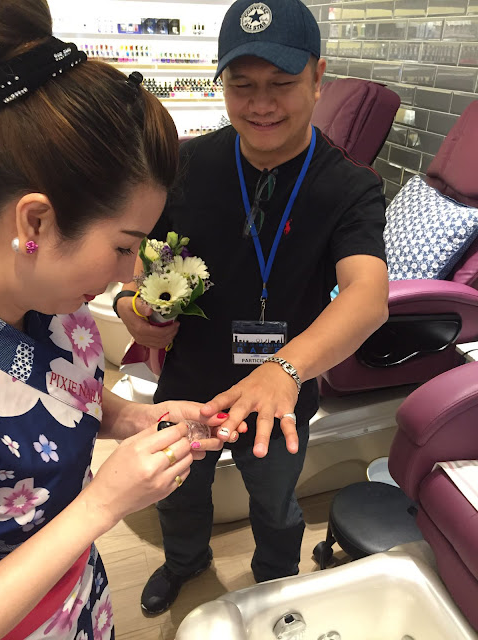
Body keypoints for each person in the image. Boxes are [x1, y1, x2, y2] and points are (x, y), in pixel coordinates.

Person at [116, 0, 389, 616]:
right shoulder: (183, 165)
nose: (260, 104)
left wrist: (284, 369)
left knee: (275, 502)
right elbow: (144, 256)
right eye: (242, 85)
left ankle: (275, 581)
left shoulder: (350, 186)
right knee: (179, 492)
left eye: (281, 83)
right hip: (190, 385)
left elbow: (368, 296)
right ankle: (185, 562)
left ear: (318, 78)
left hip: (280, 399)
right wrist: (134, 303)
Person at [0, 2, 244, 638]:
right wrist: (103, 504)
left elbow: (58, 390)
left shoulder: (58, 309)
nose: (131, 272)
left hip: (83, 596)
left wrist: (133, 418)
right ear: (35, 221)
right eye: (122, 246)